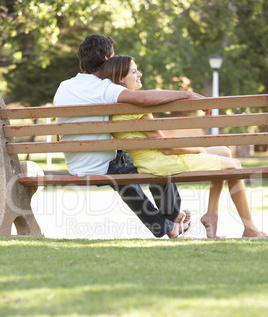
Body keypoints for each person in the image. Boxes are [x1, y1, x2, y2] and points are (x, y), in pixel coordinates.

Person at [53, 34, 211, 239]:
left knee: (139, 164)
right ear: (108, 59)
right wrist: (187, 94)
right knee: (155, 163)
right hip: (103, 164)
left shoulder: (64, 86)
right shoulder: (103, 87)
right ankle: (170, 222)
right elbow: (143, 98)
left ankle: (171, 220)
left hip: (76, 164)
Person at [101, 54, 266, 239]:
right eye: (134, 71)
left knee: (224, 151)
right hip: (160, 162)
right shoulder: (134, 109)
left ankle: (211, 215)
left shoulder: (118, 106)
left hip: (152, 160)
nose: (139, 74)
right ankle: (250, 229)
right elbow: (168, 149)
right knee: (234, 165)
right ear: (121, 78)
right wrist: (199, 149)